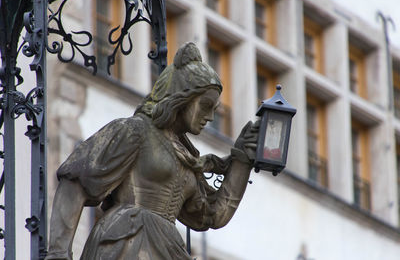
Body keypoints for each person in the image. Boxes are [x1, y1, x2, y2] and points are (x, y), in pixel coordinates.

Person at [45, 42, 259, 260]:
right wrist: (58, 253)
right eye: (205, 105)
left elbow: (213, 216)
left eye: (214, 110)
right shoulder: (135, 130)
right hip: (127, 240)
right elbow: (75, 181)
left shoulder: (187, 158)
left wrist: (242, 161)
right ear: (182, 96)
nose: (210, 117)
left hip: (168, 248)